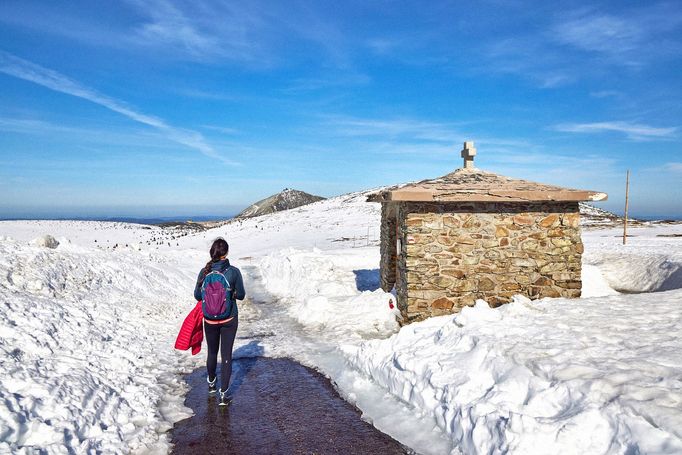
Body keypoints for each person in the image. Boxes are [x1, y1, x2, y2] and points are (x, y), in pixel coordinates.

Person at [194, 238, 245, 406]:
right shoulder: (233, 272)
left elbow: (197, 295)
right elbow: (242, 295)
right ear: (227, 253)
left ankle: (211, 384)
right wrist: (231, 294)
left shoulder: (204, 271)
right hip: (229, 318)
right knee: (226, 355)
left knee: (212, 352)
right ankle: (223, 395)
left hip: (209, 319)